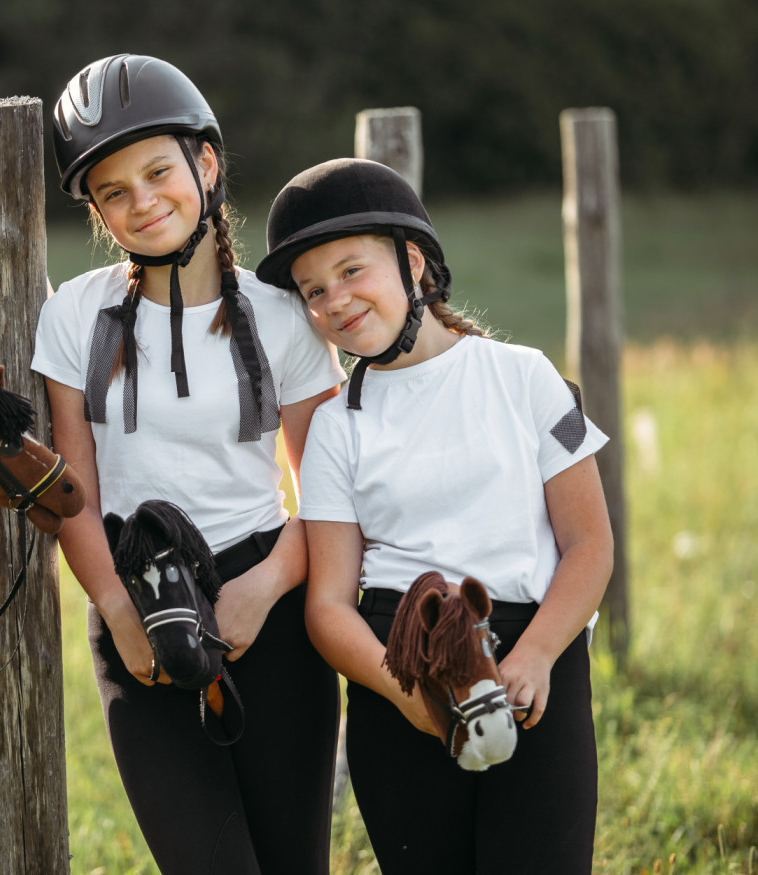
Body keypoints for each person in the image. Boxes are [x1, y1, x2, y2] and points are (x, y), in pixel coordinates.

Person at [32, 54, 345, 874]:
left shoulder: (283, 318)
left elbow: (330, 489)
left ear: (205, 163)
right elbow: (74, 491)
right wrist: (113, 605)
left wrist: (265, 587)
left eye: (158, 172)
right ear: (97, 209)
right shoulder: (74, 316)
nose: (142, 201)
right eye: (113, 191)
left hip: (269, 604)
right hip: (136, 601)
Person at [255, 158, 613, 873]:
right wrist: (408, 696)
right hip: (402, 674)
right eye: (314, 290)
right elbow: (328, 606)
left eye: (352, 271)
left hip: (532, 663)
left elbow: (590, 544)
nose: (335, 301)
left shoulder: (524, 376)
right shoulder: (335, 429)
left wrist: (538, 655)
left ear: (412, 262)